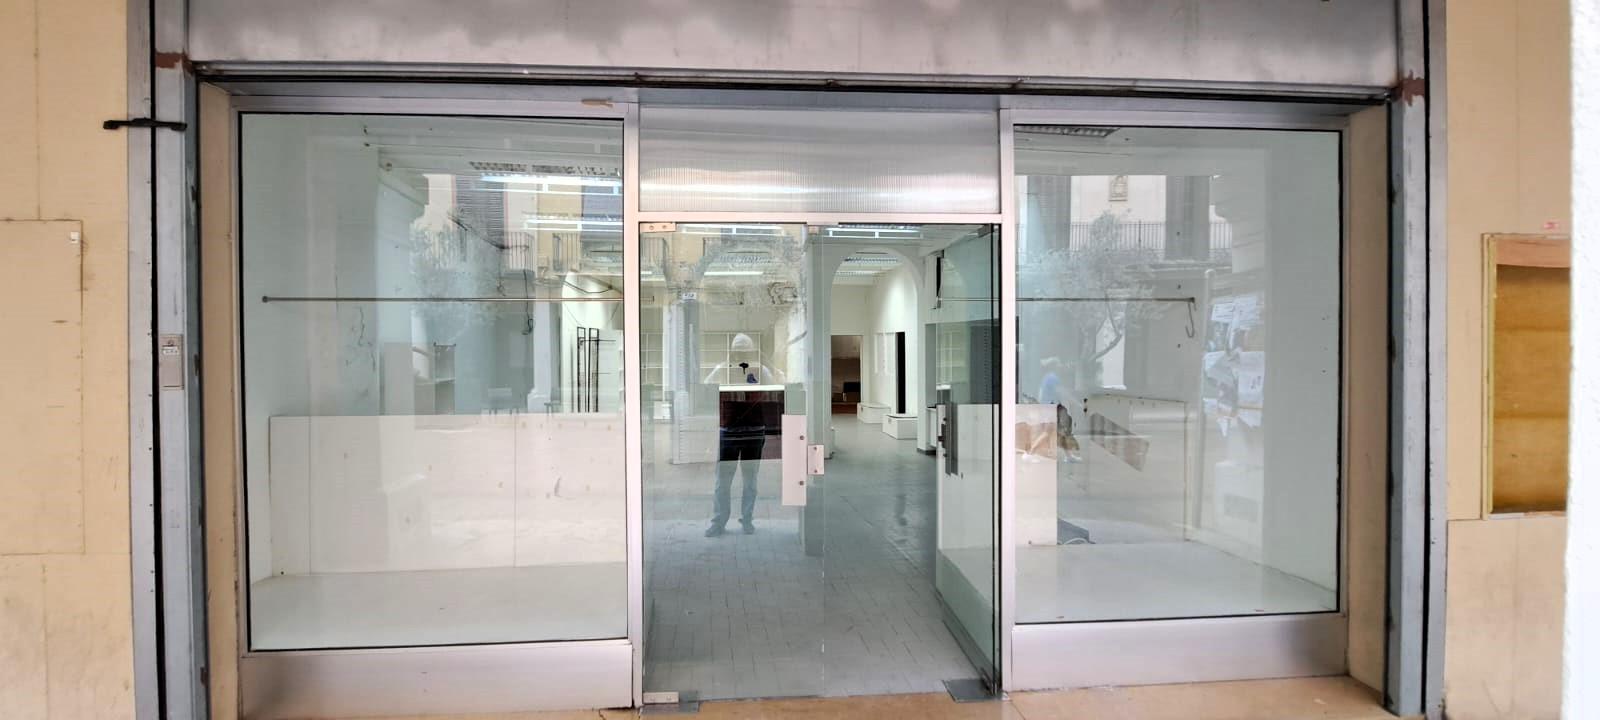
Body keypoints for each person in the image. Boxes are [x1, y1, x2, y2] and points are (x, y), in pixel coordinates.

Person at [707, 386, 768, 537]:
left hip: (751, 429)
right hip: (731, 428)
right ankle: (720, 522)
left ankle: (744, 520)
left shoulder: (759, 374)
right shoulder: (725, 373)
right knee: (724, 481)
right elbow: (710, 389)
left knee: (749, 480)